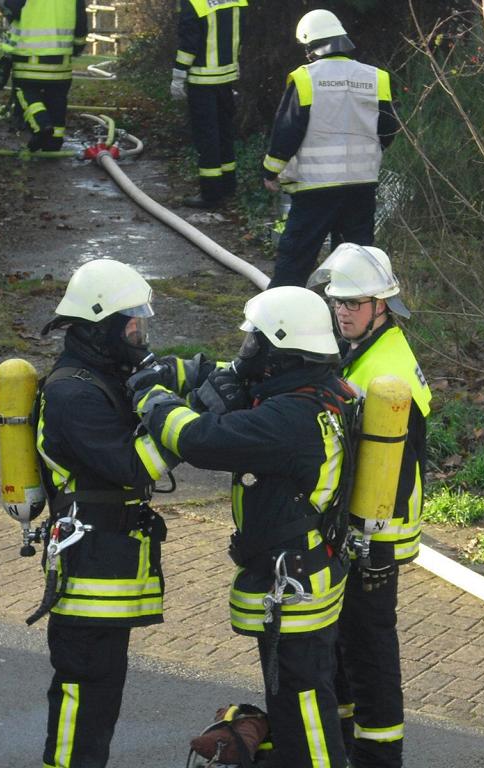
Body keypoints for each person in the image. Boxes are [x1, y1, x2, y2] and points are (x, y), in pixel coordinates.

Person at [131, 286, 355, 768]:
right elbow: (243, 392)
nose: (245, 347)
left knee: (305, 711)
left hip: (295, 584)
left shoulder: (287, 418)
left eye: (254, 338)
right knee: (298, 704)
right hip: (306, 567)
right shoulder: (317, 391)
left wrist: (152, 396)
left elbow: (198, 440)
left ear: (279, 348)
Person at [35, 259, 176, 768]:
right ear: (100, 327)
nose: (140, 335)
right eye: (132, 324)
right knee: (81, 692)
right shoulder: (73, 391)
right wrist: (185, 423)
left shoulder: (104, 375)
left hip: (109, 564)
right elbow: (133, 467)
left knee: (100, 695)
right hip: (88, 566)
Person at [308, 244, 432, 768]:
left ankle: (381, 754)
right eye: (337, 302)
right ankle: (344, 742)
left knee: (368, 642)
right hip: (368, 520)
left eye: (353, 304)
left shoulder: (383, 370)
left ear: (382, 306)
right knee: (346, 639)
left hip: (376, 529)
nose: (342, 312)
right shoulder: (375, 348)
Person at [262, 9, 399, 288]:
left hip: (315, 189)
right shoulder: (376, 78)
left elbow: (287, 132)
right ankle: (349, 324)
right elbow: (388, 131)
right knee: (355, 266)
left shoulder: (305, 79)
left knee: (295, 260)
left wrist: (270, 171)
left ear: (311, 46)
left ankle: (277, 321)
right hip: (361, 187)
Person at [173, 0, 247, 208]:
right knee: (224, 132)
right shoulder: (237, 0)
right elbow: (241, 33)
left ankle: (211, 195)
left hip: (202, 80)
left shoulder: (195, 3)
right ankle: (228, 186)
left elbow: (188, 43)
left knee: (207, 137)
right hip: (227, 76)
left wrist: (179, 73)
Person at [0, 0, 87, 152]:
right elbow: (81, 23)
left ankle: (41, 126)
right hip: (61, 62)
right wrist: (78, 46)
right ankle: (55, 140)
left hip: (29, 59)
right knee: (57, 99)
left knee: (25, 93)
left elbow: (10, 9)